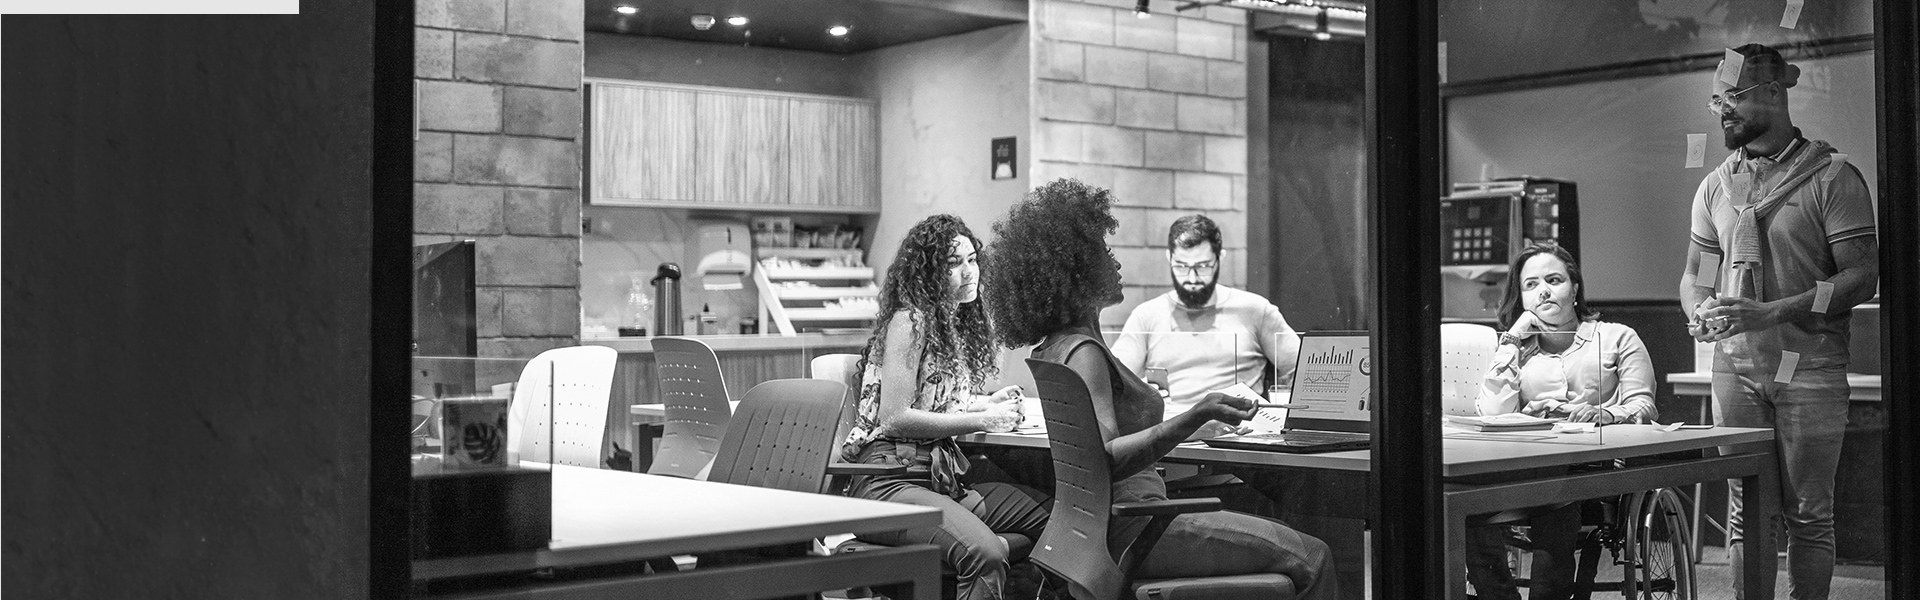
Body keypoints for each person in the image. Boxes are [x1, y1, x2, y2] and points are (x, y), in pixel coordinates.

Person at [984, 178, 1338, 600]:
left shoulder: (1058, 346)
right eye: (1103, 251)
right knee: (1313, 555)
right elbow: (1106, 459)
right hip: (1139, 527)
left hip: (1106, 530)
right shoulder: (1085, 354)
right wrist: (1197, 414)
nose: (1114, 262)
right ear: (1076, 271)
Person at [1678, 43, 1878, 600]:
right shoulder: (1717, 184)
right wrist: (1698, 310)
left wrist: (1771, 312)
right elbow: (1698, 273)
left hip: (1808, 365)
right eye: (1718, 100)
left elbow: (1863, 278)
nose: (1722, 111)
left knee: (1809, 515)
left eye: (1733, 98)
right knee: (1746, 511)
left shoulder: (1832, 177)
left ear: (1773, 92)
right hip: (1736, 369)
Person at [840, 214, 1048, 600]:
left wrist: (985, 402)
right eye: (954, 263)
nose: (969, 272)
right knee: (984, 553)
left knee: (1056, 521)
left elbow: (934, 400)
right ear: (929, 271)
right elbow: (896, 417)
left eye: (972, 260)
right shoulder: (910, 320)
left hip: (940, 479)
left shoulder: (950, 324)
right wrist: (983, 417)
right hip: (889, 482)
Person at [1465, 242, 1659, 600]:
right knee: (1464, 505)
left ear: (1575, 287)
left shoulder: (1616, 337)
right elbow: (1492, 413)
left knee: (1557, 505)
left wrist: (1606, 413)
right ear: (1521, 298)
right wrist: (1511, 340)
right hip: (1530, 466)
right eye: (1530, 285)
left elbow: (1644, 406)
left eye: (1554, 280)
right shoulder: (1516, 349)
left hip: (1593, 468)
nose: (1543, 291)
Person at [1111, 214, 1302, 431]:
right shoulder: (1147, 315)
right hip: (1173, 433)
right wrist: (1142, 390)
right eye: (1181, 266)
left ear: (1220, 258)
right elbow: (1116, 383)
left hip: (1237, 432)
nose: (1192, 279)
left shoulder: (1255, 310)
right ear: (1169, 258)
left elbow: (1301, 371)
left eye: (1202, 267)